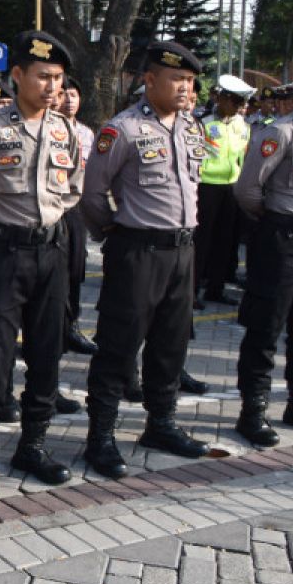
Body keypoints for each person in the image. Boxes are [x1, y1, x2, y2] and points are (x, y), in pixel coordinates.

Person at [0, 31, 83, 498]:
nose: (52, 87)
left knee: (47, 350)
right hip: (3, 252)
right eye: (43, 76)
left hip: (52, 251)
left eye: (59, 80)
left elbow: (73, 187)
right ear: (18, 76)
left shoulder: (66, 131)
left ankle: (33, 444)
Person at [80, 41, 211, 479]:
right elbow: (93, 194)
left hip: (182, 251)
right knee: (118, 345)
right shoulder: (123, 129)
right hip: (138, 250)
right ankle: (100, 435)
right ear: (150, 80)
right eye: (177, 79)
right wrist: (114, 234)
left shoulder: (192, 127)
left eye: (191, 81)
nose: (186, 89)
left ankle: (161, 423)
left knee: (171, 344)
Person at [233, 55, 293, 447]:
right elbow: (248, 189)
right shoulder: (282, 132)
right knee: (266, 325)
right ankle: (252, 411)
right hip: (284, 237)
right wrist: (275, 222)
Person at [194, 74, 253, 307]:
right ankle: (193, 290)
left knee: (226, 241)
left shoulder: (242, 125)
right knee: (201, 242)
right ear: (223, 99)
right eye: (236, 102)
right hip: (206, 186)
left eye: (242, 103)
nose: (240, 108)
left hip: (232, 187)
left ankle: (216, 289)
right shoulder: (204, 124)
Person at [58, 76, 99, 356]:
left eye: (74, 94)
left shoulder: (86, 134)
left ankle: (71, 327)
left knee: (75, 270)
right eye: (65, 94)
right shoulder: (49, 129)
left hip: (77, 211)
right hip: (51, 210)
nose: (70, 99)